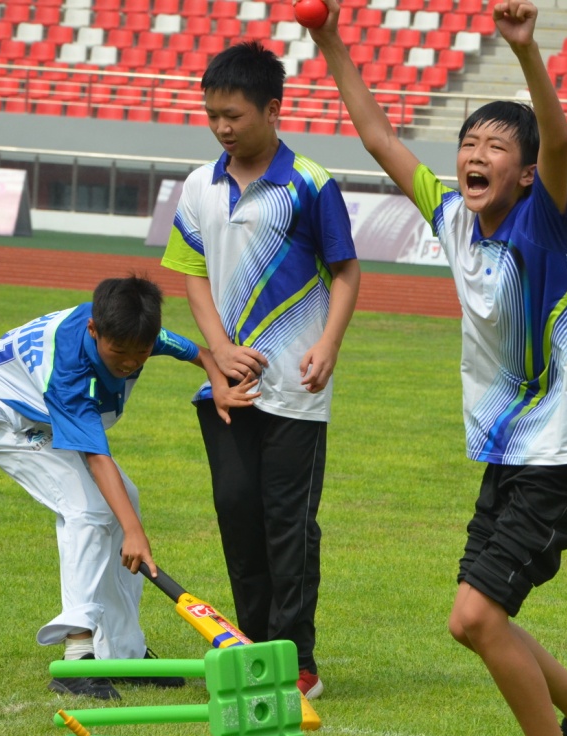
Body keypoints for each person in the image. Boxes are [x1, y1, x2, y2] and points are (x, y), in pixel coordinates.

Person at [310, 0, 567, 736]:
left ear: (524, 174)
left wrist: (524, 53)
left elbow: (556, 140)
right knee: (474, 620)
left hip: (564, 448)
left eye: (496, 147)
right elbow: (380, 137)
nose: (475, 155)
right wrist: (329, 42)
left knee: (476, 616)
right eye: (468, 145)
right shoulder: (454, 220)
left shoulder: (540, 227)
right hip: (512, 452)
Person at [160, 40, 361, 702]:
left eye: (234, 115)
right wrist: (216, 352)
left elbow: (345, 271)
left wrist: (328, 344)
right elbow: (190, 277)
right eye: (211, 114)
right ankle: (253, 650)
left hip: (296, 393)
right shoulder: (197, 187)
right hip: (226, 391)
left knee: (288, 523)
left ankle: (296, 659)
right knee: (237, 514)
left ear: (272, 109)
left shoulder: (309, 183)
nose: (221, 127)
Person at [0, 276, 245, 699]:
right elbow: (97, 458)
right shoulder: (71, 369)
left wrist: (219, 381)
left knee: (124, 500)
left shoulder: (133, 328)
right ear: (94, 330)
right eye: (119, 353)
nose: (130, 362)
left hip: (41, 415)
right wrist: (134, 533)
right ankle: (76, 656)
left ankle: (124, 653)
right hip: (0, 417)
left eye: (140, 353)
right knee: (88, 510)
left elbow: (198, 353)